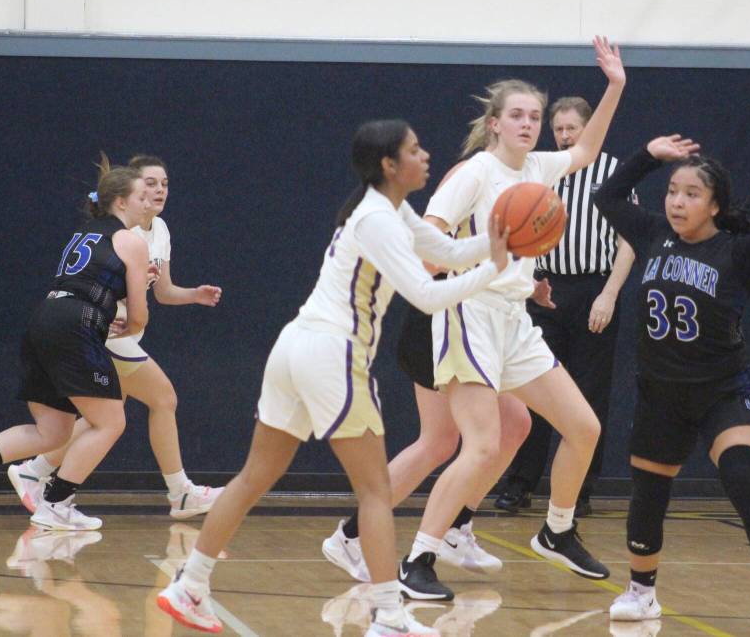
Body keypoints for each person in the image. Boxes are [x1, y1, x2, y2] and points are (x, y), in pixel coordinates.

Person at [156, 120, 510, 636]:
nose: (426, 155)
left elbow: (446, 252)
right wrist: (494, 269)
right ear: (390, 165)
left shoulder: (389, 208)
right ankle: (390, 617)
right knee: (375, 490)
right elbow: (428, 295)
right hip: (333, 354)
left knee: (255, 476)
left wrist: (493, 244)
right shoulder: (377, 221)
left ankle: (189, 586)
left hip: (295, 348)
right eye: (414, 150)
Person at [395, 36, 626, 602]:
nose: (528, 124)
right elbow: (427, 248)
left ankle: (558, 529)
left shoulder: (541, 166)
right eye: (517, 116)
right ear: (495, 123)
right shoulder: (474, 173)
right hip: (468, 312)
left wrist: (615, 85)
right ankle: (418, 558)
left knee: (585, 428)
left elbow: (587, 153)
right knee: (479, 443)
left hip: (515, 319)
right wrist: (488, 252)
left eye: (535, 117)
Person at [594, 135, 750, 633]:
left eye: (691, 194)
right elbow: (607, 198)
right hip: (661, 392)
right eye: (672, 191)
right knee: (648, 493)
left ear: (715, 204)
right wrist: (648, 157)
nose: (677, 201)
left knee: (742, 475)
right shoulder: (652, 233)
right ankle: (641, 593)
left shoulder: (740, 253)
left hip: (723, 388)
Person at [322, 165, 532, 583]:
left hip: (470, 317)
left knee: (514, 423)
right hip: (444, 318)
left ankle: (455, 526)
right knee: (440, 442)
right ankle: (352, 535)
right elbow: (430, 260)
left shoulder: (513, 177)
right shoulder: (473, 174)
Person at [7, 155, 225, 520]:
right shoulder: (124, 231)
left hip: (123, 332)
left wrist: (193, 295)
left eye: (164, 183)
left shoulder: (161, 230)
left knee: (105, 417)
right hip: (105, 332)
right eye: (150, 184)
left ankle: (37, 470)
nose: (158, 190)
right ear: (130, 193)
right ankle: (180, 492)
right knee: (163, 398)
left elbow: (164, 290)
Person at [0, 162, 151, 530]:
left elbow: (82, 286)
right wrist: (121, 323)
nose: (148, 204)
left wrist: (98, 314)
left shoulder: (84, 233)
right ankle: (56, 502)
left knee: (54, 432)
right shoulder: (131, 241)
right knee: (111, 422)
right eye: (141, 197)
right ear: (121, 202)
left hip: (46, 318)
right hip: (74, 325)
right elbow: (140, 318)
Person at [495, 95, 636, 518]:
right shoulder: (541, 168)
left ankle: (579, 492)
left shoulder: (614, 172)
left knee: (590, 395)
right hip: (544, 290)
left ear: (589, 126)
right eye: (557, 129)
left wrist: (609, 293)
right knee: (532, 389)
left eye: (571, 128)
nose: (563, 136)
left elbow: (629, 240)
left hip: (594, 289)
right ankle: (520, 484)